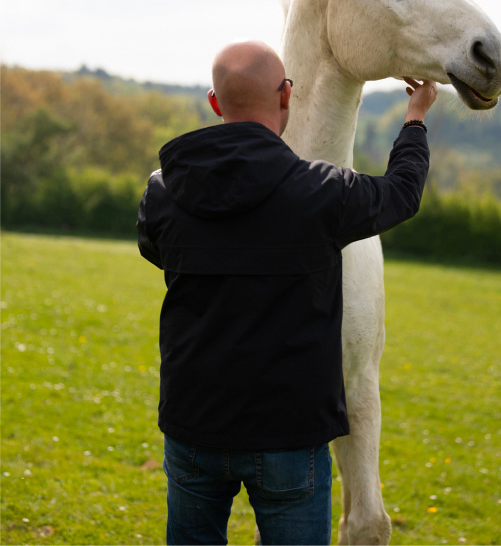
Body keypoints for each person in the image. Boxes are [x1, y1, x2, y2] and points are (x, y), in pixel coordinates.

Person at [137, 40, 437, 546]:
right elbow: (402, 194)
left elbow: (157, 249)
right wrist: (415, 118)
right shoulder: (323, 192)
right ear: (286, 97)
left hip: (193, 427)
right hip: (290, 438)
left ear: (215, 103)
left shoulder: (163, 191)